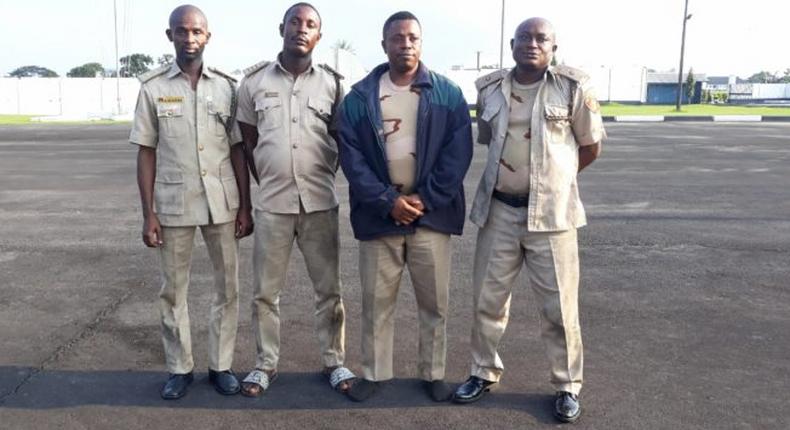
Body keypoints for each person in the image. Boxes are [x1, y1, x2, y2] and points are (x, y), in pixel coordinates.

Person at [451, 17, 605, 424]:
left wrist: (552, 183)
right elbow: (490, 139)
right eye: (525, 38)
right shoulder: (489, 90)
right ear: (512, 43)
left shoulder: (573, 87)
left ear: (554, 46)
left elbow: (589, 147)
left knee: (559, 307)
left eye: (542, 39)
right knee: (487, 300)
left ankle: (567, 385)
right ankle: (482, 372)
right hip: (498, 210)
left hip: (552, 217)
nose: (532, 44)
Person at [338, 11, 473, 403]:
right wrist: (387, 201)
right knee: (376, 303)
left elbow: (457, 154)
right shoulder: (359, 98)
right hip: (379, 217)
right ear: (384, 45)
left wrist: (424, 198)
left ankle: (433, 373)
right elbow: (352, 158)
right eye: (397, 38)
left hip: (431, 217)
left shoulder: (447, 93)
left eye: (413, 37)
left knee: (435, 303)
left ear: (421, 42)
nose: (406, 44)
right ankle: (376, 374)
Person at [131, 4, 252, 400]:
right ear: (170, 36)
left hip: (222, 202)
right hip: (173, 203)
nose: (189, 38)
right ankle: (179, 368)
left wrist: (245, 206)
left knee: (227, 288)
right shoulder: (153, 88)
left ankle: (221, 365)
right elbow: (146, 151)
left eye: (196, 31)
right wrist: (148, 213)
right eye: (181, 31)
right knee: (173, 290)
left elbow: (237, 149)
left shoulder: (227, 87)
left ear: (207, 36)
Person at [235, 2, 354, 397]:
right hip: (273, 205)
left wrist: (316, 175)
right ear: (281, 28)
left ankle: (334, 361)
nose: (301, 29)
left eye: (310, 25)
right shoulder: (252, 83)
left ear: (318, 35)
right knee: (265, 293)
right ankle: (264, 364)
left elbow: (341, 139)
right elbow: (249, 144)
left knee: (329, 290)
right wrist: (269, 180)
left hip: (320, 202)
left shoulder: (334, 84)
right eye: (294, 22)